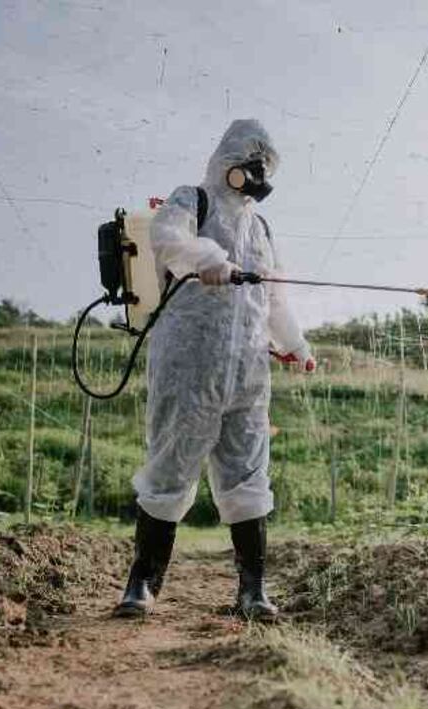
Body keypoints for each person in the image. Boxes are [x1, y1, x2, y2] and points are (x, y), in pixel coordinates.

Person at [115, 119, 314, 620]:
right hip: (189, 366)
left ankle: (253, 590)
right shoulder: (192, 200)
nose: (256, 176)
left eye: (264, 168)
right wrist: (208, 257)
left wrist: (297, 345)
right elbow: (166, 238)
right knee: (169, 468)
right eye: (250, 164)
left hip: (248, 371)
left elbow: (274, 298)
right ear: (230, 162)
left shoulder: (262, 229)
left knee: (249, 475)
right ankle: (143, 583)